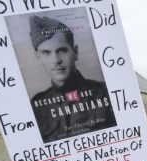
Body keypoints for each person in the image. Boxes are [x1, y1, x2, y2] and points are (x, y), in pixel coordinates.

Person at [28, 15, 116, 143]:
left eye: (62, 50)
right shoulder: (36, 105)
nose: (56, 60)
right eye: (46, 53)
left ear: (75, 52)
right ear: (38, 57)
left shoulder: (105, 93)